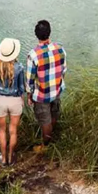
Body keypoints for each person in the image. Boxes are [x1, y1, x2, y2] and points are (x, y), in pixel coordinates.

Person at [26, 20, 67, 153]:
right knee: (54, 114)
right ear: (49, 32)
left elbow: (30, 79)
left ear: (36, 35)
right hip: (56, 90)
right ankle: (51, 136)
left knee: (45, 121)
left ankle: (46, 146)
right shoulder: (60, 49)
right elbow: (63, 71)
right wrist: (58, 84)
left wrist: (29, 95)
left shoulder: (33, 55)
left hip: (42, 94)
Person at [0, 38, 25, 166]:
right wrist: (22, 99)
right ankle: (10, 157)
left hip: (0, 101)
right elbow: (21, 88)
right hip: (15, 101)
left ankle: (3, 160)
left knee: (2, 130)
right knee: (13, 130)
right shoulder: (19, 67)